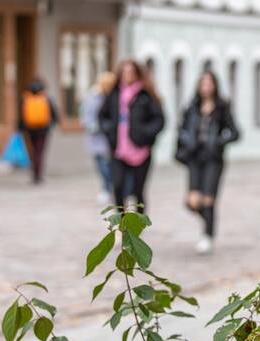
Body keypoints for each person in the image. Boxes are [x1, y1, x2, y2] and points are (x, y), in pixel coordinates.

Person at [175, 71, 240, 254]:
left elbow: (235, 133)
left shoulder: (222, 107)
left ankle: (207, 236)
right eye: (203, 83)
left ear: (215, 86)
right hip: (195, 157)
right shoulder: (192, 108)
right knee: (192, 201)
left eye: (209, 83)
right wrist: (184, 146)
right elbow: (182, 130)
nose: (206, 87)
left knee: (208, 199)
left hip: (214, 159)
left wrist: (218, 142)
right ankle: (210, 223)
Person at [98, 59, 165, 211]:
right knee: (118, 185)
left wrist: (145, 134)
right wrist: (109, 131)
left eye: (131, 72)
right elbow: (102, 116)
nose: (127, 75)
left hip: (141, 149)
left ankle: (138, 225)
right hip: (118, 149)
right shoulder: (114, 94)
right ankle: (121, 223)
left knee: (138, 190)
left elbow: (159, 120)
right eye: (124, 72)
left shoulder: (146, 95)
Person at [82, 72, 116, 204]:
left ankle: (108, 189)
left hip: (108, 136)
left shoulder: (111, 97)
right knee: (101, 164)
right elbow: (87, 114)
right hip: (96, 135)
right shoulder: (94, 96)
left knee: (106, 165)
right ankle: (108, 188)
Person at [19, 78, 59, 184]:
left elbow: (21, 117)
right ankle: (38, 175)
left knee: (32, 151)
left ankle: (34, 173)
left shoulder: (25, 98)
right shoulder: (46, 98)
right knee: (39, 152)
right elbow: (55, 115)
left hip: (29, 130)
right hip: (43, 130)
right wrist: (50, 125)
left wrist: (21, 129)